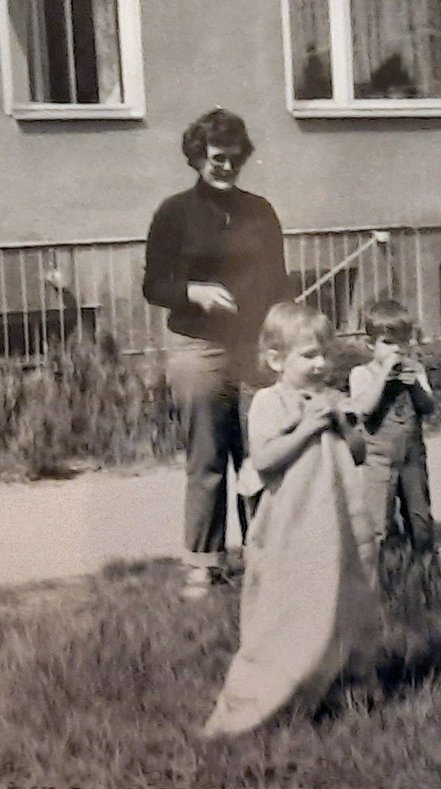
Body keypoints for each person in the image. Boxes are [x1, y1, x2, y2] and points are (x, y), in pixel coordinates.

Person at [203, 303, 380, 738]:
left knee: (345, 601)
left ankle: (346, 685)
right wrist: (305, 429)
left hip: (338, 524)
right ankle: (278, 690)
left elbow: (358, 453)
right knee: (291, 607)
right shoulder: (269, 401)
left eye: (326, 354)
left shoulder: (332, 400)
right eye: (308, 356)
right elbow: (263, 459)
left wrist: (341, 421)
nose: (320, 364)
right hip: (293, 525)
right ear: (277, 359)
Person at [143, 108, 291, 600]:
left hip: (253, 346)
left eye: (234, 158)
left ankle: (264, 553)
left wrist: (280, 338)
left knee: (260, 452)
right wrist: (193, 292)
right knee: (207, 456)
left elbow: (278, 281)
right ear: (197, 158)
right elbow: (154, 284)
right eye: (216, 159)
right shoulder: (174, 213)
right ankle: (203, 565)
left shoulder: (260, 211)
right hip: (197, 345)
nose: (226, 167)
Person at [348, 300, 436, 560]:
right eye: (388, 342)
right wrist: (384, 374)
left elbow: (428, 407)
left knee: (420, 520)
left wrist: (416, 388)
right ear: (370, 345)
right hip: (378, 458)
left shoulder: (415, 370)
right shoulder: (362, 373)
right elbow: (363, 408)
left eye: (402, 341)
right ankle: (378, 579)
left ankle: (424, 574)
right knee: (377, 523)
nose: (397, 349)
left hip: (412, 457)